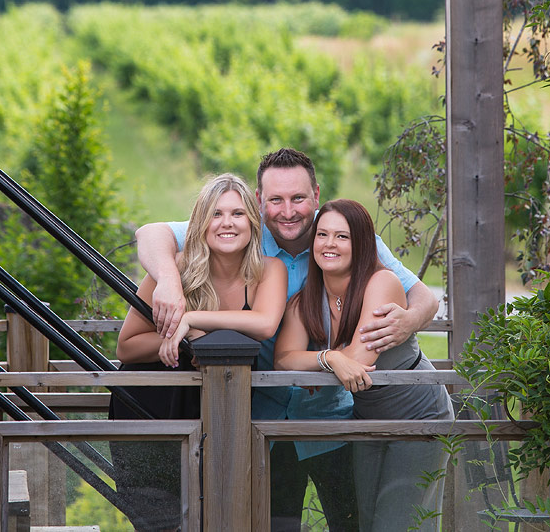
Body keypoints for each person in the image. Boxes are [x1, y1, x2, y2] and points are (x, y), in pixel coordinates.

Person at [133, 148, 439, 531]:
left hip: (337, 417)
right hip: (264, 417)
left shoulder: (349, 237)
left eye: (298, 198)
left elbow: (424, 295)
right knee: (274, 523)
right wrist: (169, 283)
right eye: (276, 200)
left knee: (358, 522)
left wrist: (408, 321)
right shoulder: (240, 228)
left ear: (315, 193)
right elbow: (149, 233)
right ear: (260, 201)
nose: (288, 210)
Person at [110, 173, 287, 532]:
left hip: (222, 409)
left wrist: (190, 322)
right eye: (216, 214)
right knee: (161, 522)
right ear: (201, 222)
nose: (227, 223)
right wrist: (185, 340)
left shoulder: (270, 270)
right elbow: (126, 346)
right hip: (153, 405)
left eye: (237, 214)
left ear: (253, 223)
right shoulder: (173, 269)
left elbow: (266, 323)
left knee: (222, 515)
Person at [275, 199, 453, 532]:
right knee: (367, 522)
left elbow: (360, 361)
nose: (330, 244)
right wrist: (329, 358)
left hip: (419, 415)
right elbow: (284, 357)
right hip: (367, 417)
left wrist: (328, 360)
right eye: (323, 235)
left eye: (342, 237)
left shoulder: (381, 282)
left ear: (362, 244)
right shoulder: (307, 298)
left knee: (398, 523)